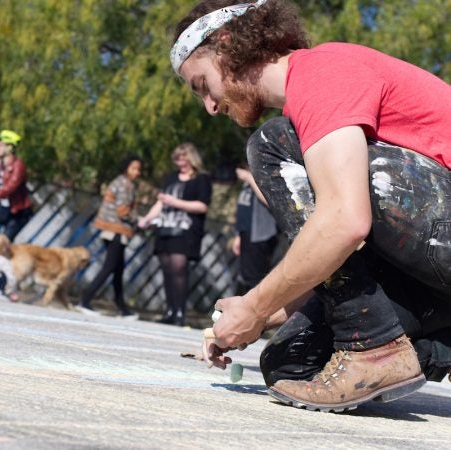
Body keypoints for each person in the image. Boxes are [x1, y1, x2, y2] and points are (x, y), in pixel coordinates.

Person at [172, 0, 450, 411]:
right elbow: (344, 266)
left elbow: (344, 222)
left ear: (226, 46)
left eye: (202, 85)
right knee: (292, 362)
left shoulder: (323, 71)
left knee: (274, 144)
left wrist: (255, 304)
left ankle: (373, 348)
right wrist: (252, 318)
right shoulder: (314, 111)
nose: (210, 106)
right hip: (434, 266)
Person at [138, 143, 212, 327]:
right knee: (167, 270)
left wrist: (176, 202)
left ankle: (180, 312)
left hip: (186, 229)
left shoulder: (202, 179)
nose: (180, 162)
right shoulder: (171, 178)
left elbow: (202, 206)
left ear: (191, 158)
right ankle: (169, 310)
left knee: (179, 268)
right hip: (165, 227)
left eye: (183, 157)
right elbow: (161, 202)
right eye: (177, 158)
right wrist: (147, 219)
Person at [76, 155, 143, 318]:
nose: (137, 172)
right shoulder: (124, 185)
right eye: (134, 168)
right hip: (116, 230)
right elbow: (122, 211)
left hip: (114, 230)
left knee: (117, 269)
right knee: (110, 267)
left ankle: (122, 308)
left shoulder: (121, 183)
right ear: (125, 167)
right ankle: (85, 299)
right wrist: (139, 220)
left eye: (139, 169)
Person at [231, 167, 278, 296]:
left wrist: (249, 178)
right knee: (243, 276)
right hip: (246, 233)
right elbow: (244, 209)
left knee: (255, 278)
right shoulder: (249, 179)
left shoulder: (267, 173)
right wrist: (238, 235)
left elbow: (270, 200)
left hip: (262, 234)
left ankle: (256, 314)